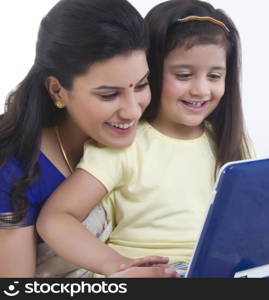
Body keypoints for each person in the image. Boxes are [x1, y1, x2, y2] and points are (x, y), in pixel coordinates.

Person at [37, 0, 269, 277]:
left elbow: (258, 229)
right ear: (150, 74)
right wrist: (120, 267)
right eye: (183, 75)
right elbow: (56, 218)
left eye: (214, 76)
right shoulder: (125, 146)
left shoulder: (231, 143)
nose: (200, 90)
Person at [0, 0, 177, 278]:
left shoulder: (151, 135)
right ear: (57, 90)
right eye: (109, 95)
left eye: (142, 85)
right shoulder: (14, 172)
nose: (132, 110)